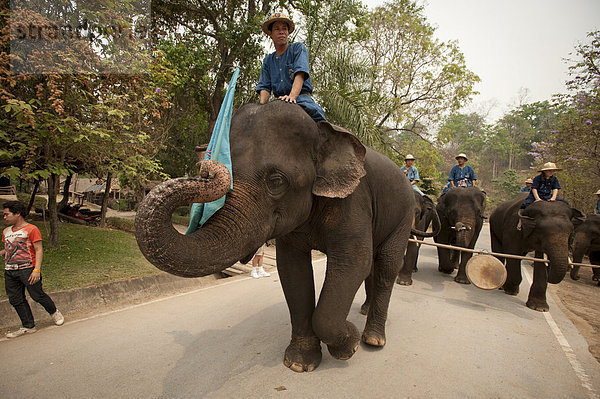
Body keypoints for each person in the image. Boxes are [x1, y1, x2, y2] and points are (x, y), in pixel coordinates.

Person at [2, 201, 64, 338]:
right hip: (10, 271)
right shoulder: (6, 231)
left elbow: (38, 249)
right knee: (16, 299)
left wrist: (36, 270)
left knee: (37, 295)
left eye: (7, 214)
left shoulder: (31, 229)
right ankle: (28, 326)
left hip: (28, 269)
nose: (4, 217)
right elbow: (10, 248)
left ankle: (54, 312)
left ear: (17, 214)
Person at [256, 11, 326, 122]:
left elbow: (300, 73)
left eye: (284, 29)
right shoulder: (268, 60)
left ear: (288, 32)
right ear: (270, 33)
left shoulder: (298, 48)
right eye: (277, 29)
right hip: (278, 102)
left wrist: (292, 96)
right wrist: (260, 109)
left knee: (321, 124)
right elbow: (265, 87)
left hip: (301, 99)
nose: (281, 32)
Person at [517, 162, 564, 230]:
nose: (551, 172)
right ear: (544, 171)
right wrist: (537, 199)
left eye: (553, 170)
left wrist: (553, 198)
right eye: (549, 170)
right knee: (525, 205)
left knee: (564, 203)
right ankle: (520, 221)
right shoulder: (538, 178)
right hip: (535, 195)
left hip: (547, 195)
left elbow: (555, 188)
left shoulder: (554, 179)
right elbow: (534, 188)